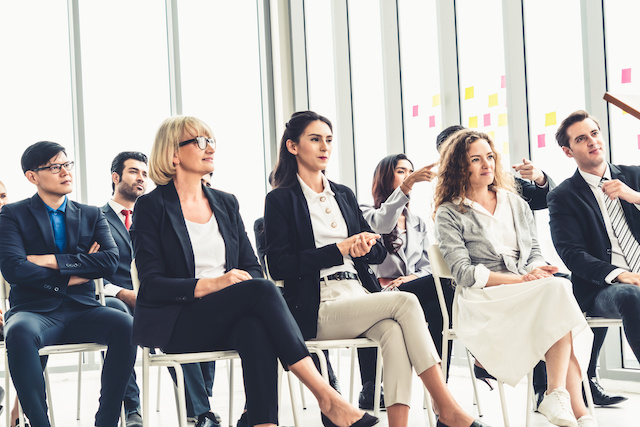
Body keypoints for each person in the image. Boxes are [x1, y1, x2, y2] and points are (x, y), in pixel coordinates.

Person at [130, 115, 377, 427]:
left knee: (254, 327)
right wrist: (212, 284)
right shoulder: (151, 207)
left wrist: (234, 286)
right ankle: (327, 397)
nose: (210, 148)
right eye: (200, 142)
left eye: (212, 141)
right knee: (260, 291)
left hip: (227, 315)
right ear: (173, 154)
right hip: (179, 322)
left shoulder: (225, 203)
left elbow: (251, 267)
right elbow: (151, 286)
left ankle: (262, 423)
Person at [264, 110, 488, 427]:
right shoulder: (280, 200)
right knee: (407, 301)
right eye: (315, 139)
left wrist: (366, 246)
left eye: (328, 140)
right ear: (293, 146)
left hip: (358, 293)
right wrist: (338, 250)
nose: (324, 146)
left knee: (394, 332)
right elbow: (278, 265)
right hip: (318, 304)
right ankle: (445, 406)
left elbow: (377, 249)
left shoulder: (343, 194)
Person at [434, 129, 595, 427]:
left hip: (526, 289)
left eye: (490, 157)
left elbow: (533, 250)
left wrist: (534, 269)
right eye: (476, 159)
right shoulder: (449, 213)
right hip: (484, 296)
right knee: (559, 295)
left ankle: (562, 398)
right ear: (459, 166)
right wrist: (519, 281)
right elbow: (464, 274)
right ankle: (573, 405)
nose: (487, 164)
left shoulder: (515, 202)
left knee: (557, 294)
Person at [0, 141, 137, 427]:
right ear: (32, 176)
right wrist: (78, 268)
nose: (65, 172)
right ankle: (39, 422)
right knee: (19, 332)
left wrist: (50, 260)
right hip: (34, 311)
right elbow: (15, 268)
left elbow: (110, 261)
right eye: (54, 166)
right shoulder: (12, 215)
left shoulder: (90, 214)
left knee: (126, 325)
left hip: (84, 307)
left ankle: (108, 421)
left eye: (67, 164)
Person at [549, 109, 640, 402]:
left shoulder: (635, 176)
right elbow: (571, 253)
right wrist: (621, 274)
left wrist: (634, 197)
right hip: (606, 287)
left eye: (595, 134)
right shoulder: (563, 196)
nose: (592, 142)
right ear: (568, 151)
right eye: (581, 138)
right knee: (629, 295)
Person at [360, 154, 454, 371]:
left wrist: (413, 277)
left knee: (439, 306)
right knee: (445, 287)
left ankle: (438, 389)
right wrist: (408, 183)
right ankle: (437, 382)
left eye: (410, 171)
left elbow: (428, 265)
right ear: (385, 177)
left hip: (412, 288)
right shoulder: (366, 213)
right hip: (382, 291)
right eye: (401, 171)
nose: (408, 175)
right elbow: (383, 222)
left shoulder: (417, 223)